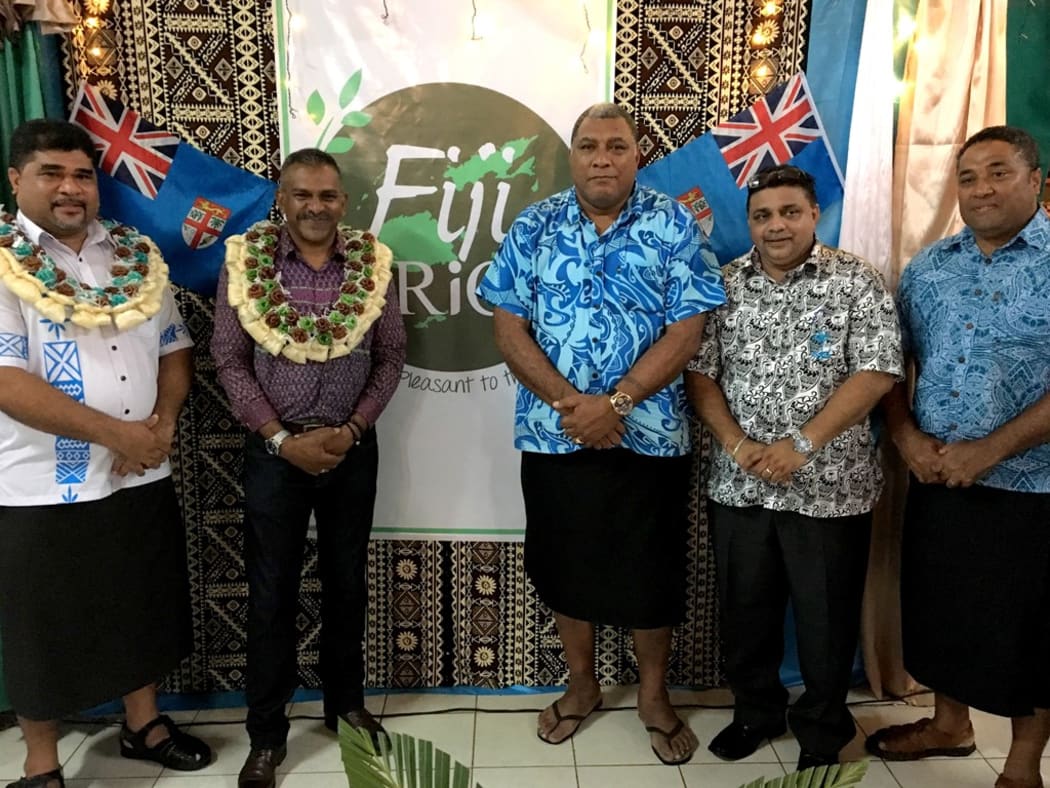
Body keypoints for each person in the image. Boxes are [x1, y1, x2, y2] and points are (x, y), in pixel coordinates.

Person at [476, 102, 726, 766]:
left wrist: (616, 401)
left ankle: (651, 695)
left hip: (649, 436)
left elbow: (688, 329)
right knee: (565, 565)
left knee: (650, 570)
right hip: (555, 433)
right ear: (573, 157)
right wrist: (571, 404)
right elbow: (507, 326)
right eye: (589, 146)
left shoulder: (675, 224)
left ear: (636, 155)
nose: (602, 158)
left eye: (616, 146)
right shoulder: (534, 226)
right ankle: (582, 684)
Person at [0, 119, 211, 788]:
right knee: (43, 627)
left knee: (138, 606)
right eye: (51, 173)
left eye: (82, 175)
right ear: (16, 181)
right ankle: (41, 765)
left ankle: (143, 725)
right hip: (41, 485)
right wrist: (115, 434)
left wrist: (158, 427)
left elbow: (176, 349)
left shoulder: (135, 255)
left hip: (141, 469)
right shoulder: (2, 262)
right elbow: (6, 381)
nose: (69, 188)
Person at [685, 164, 903, 772]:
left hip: (830, 489)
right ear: (750, 223)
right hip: (740, 484)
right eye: (762, 215)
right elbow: (701, 374)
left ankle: (823, 730)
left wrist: (800, 446)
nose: (775, 225)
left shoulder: (857, 281)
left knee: (826, 620)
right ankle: (755, 712)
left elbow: (878, 373)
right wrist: (734, 443)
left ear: (813, 215)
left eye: (788, 212)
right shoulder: (723, 285)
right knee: (745, 613)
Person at [211, 148, 406, 788]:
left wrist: (352, 429)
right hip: (275, 454)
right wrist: (276, 438)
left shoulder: (375, 266)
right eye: (302, 195)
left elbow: (389, 360)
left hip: (352, 449)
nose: (315, 207)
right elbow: (231, 361)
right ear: (282, 198)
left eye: (327, 195)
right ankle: (267, 736)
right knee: (272, 595)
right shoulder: (246, 263)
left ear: (344, 202)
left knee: (347, 582)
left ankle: (345, 709)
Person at [865, 126, 1050, 788]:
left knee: (1026, 632)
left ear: (1036, 179)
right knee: (941, 611)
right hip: (936, 474)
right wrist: (907, 438)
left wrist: (989, 451)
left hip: (1033, 486)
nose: (980, 189)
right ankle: (950, 724)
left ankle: (1023, 767)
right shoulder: (930, 270)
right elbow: (890, 366)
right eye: (967, 177)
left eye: (998, 173)